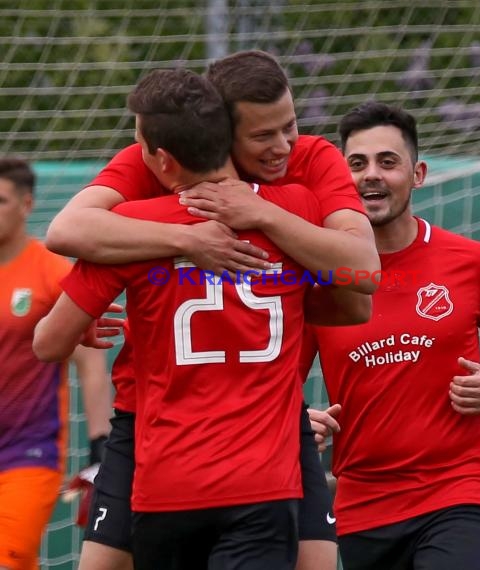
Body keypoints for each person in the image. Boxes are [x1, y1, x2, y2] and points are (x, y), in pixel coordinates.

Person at [45, 50, 376, 570]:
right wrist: (187, 241)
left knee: (315, 561)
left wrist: (260, 212)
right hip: (151, 419)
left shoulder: (308, 163)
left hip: (263, 421)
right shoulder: (154, 155)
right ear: (220, 129)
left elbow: (361, 280)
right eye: (263, 135)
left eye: (290, 125)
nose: (284, 144)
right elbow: (65, 232)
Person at [302, 101, 480, 570]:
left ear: (418, 175)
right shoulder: (323, 277)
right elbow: (283, 376)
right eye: (357, 163)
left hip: (460, 489)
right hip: (362, 502)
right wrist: (299, 419)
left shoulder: (471, 262)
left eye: (387, 162)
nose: (371, 175)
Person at [0, 158, 111, 570]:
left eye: (0, 200)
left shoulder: (49, 272)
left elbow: (90, 362)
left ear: (27, 204)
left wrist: (100, 445)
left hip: (29, 451)